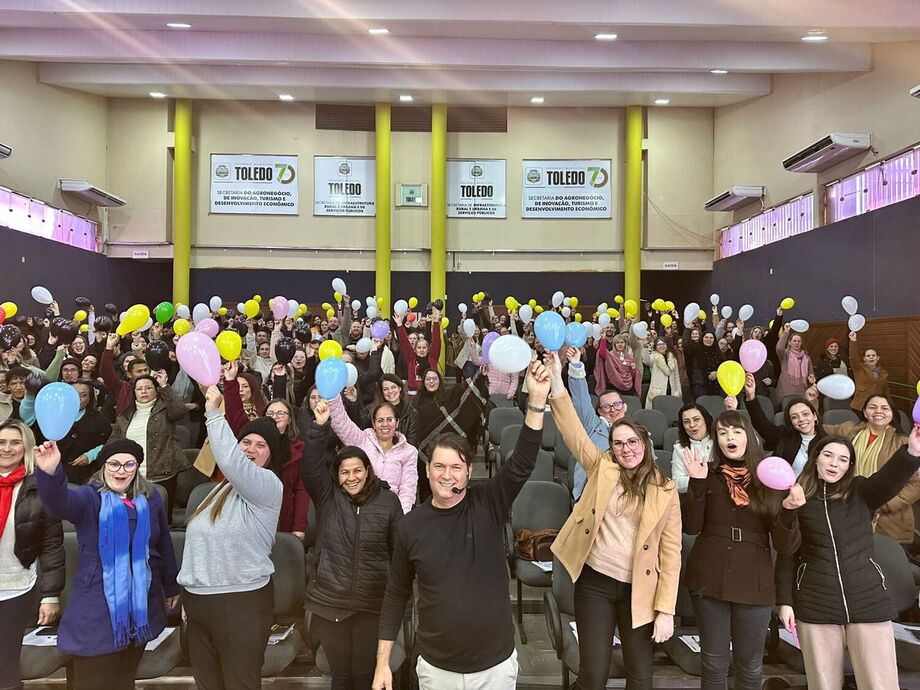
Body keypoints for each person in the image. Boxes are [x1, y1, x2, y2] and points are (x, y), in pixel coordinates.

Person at [371, 359, 550, 690]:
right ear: (427, 470)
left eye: (456, 467)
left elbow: (522, 462)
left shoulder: (489, 503)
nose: (446, 475)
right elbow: (396, 595)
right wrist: (383, 662)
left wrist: (537, 401)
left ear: (468, 471)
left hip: (495, 666)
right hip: (437, 668)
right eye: (439, 466)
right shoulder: (411, 526)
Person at [548, 353, 681, 689]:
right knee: (593, 676)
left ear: (645, 444)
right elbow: (572, 430)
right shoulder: (601, 468)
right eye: (618, 443)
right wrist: (556, 380)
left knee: (640, 676)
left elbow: (671, 554)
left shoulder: (665, 489)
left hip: (641, 589)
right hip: (596, 583)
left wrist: (666, 610)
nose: (626, 449)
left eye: (632, 442)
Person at [776, 429, 920, 690]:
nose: (834, 463)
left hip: (867, 600)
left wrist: (912, 452)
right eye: (828, 455)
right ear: (815, 458)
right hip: (815, 603)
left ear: (849, 466)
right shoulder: (797, 497)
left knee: (880, 684)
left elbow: (890, 478)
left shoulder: (860, 490)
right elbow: (786, 552)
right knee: (823, 685)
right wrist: (785, 601)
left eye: (843, 459)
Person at [34, 438, 179, 690]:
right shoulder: (89, 498)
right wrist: (50, 471)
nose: (121, 471)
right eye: (114, 464)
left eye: (129, 464)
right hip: (97, 609)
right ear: (103, 466)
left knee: (124, 680)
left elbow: (163, 543)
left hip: (142, 606)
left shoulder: (151, 498)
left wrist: (171, 585)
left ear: (137, 467)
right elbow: (58, 502)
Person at [681, 410, 803, 690]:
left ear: (748, 436)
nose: (729, 438)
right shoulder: (708, 474)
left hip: (754, 581)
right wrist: (696, 483)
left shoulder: (769, 477)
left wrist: (788, 511)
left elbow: (785, 546)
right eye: (722, 433)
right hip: (709, 577)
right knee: (714, 663)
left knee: (750, 666)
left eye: (736, 431)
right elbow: (691, 526)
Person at [179, 386, 284, 690]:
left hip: (241, 603)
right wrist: (190, 588)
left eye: (261, 445)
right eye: (246, 442)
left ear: (271, 455)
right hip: (199, 602)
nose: (251, 449)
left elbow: (231, 462)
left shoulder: (268, 485)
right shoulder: (218, 490)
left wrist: (213, 412)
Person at [302, 401, 402, 690]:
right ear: (337, 476)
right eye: (344, 472)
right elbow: (310, 465)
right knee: (341, 676)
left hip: (371, 605)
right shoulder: (328, 497)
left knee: (364, 674)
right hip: (330, 604)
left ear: (368, 471)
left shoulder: (388, 501)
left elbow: (398, 553)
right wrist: (319, 427)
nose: (351, 478)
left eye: (357, 470)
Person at [0, 419, 64, 690]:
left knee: (5, 666)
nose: (7, 448)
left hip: (16, 587)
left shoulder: (39, 487)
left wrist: (50, 596)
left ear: (25, 447)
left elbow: (52, 544)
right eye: (1, 442)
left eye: (15, 442)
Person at [822, 393, 914, 544]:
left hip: (887, 519)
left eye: (884, 408)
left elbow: (916, 484)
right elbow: (816, 429)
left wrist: (884, 504)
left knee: (884, 556)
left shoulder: (904, 443)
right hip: (847, 506)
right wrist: (812, 403)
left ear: (892, 413)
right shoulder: (849, 430)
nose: (878, 411)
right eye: (872, 407)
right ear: (865, 412)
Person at [108, 373, 188, 520]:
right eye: (139, 389)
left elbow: (179, 411)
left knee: (160, 520)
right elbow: (114, 441)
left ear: (156, 391)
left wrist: (164, 386)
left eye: (148, 388)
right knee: (132, 518)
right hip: (131, 474)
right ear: (134, 392)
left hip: (162, 473)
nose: (143, 391)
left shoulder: (165, 409)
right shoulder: (125, 415)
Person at [326, 394, 418, 514]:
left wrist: (400, 517)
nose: (385, 424)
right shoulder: (362, 439)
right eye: (380, 420)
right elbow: (341, 422)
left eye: (390, 419)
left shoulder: (409, 452)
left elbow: (408, 489)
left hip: (390, 512)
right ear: (374, 424)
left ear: (397, 423)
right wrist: (332, 397)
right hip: (361, 508)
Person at [561, 348, 628, 501]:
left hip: (626, 494)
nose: (613, 410)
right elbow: (582, 400)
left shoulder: (638, 433)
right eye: (607, 406)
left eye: (617, 404)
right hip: (592, 494)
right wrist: (576, 364)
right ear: (599, 411)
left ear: (625, 407)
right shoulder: (592, 426)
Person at [744, 374, 826, 477]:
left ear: (814, 416)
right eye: (794, 417)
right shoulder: (784, 436)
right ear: (790, 421)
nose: (801, 419)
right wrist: (751, 396)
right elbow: (761, 424)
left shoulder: (826, 442)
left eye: (805, 414)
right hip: (784, 486)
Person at [265, 397, 310, 540]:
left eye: (280, 413)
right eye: (270, 413)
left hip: (284, 514)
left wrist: (299, 527)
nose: (275, 417)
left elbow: (301, 490)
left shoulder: (300, 448)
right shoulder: (255, 446)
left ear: (290, 419)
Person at [56, 379, 112, 484]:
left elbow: (110, 441)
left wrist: (91, 455)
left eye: (83, 395)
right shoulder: (54, 416)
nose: (78, 398)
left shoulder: (99, 420)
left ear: (89, 399)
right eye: (74, 394)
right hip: (55, 472)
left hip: (84, 475)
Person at [101, 332, 150, 412]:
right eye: (139, 371)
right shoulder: (123, 388)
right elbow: (106, 372)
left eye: (145, 370)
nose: (144, 373)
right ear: (129, 374)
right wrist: (109, 346)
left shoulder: (157, 387)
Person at [670, 403, 714, 493]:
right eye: (686, 422)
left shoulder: (719, 440)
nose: (692, 425)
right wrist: (697, 478)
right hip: (695, 496)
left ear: (706, 420)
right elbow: (677, 483)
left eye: (696, 419)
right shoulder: (679, 448)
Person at [847, 331, 890, 413]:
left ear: (878, 358)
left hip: (876, 408)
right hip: (860, 406)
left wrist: (889, 407)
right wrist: (853, 340)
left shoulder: (884, 374)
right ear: (864, 358)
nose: (871, 357)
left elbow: (886, 393)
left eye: (873, 355)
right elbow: (853, 357)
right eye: (868, 356)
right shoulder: (858, 368)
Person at [595, 333, 641, 398]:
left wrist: (634, 370)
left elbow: (633, 377)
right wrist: (603, 339)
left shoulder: (630, 358)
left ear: (625, 344)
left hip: (627, 389)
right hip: (612, 386)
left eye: (622, 342)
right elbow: (601, 353)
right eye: (617, 343)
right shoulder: (610, 356)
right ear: (614, 344)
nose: (620, 344)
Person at [775, 325, 814, 400]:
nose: (797, 343)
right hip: (786, 393)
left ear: (801, 343)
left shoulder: (806, 358)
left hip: (802, 392)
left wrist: (811, 378)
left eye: (799, 341)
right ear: (790, 342)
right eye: (794, 341)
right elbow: (779, 348)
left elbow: (811, 373)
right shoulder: (785, 355)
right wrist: (786, 332)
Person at [642, 338, 681, 408]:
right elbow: (646, 361)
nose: (661, 346)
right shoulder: (653, 357)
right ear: (656, 347)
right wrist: (645, 347)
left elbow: (676, 376)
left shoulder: (672, 358)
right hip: (657, 392)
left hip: (671, 391)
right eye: (659, 344)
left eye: (663, 344)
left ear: (667, 345)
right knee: (657, 411)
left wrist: (679, 391)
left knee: (671, 410)